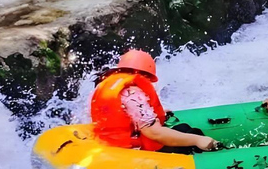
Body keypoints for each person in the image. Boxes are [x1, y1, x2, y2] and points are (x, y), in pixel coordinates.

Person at [91, 49, 219, 154]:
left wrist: (153, 114)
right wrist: (197, 140)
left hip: (111, 144)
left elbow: (123, 114)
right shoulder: (133, 93)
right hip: (134, 151)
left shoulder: (108, 85)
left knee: (183, 129)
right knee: (191, 132)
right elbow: (154, 133)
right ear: (143, 73)